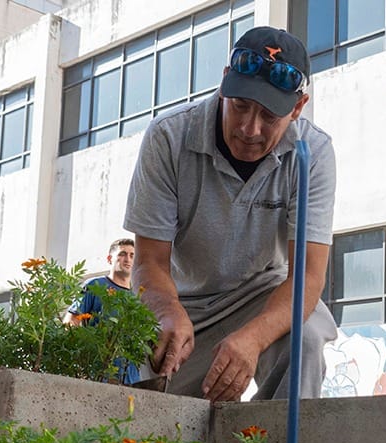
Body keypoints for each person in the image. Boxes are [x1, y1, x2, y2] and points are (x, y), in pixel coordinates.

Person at [123, 26, 337, 403]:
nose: (248, 129)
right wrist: (166, 309)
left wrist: (253, 338)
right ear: (224, 84)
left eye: (269, 116)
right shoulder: (168, 138)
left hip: (263, 293)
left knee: (306, 338)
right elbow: (149, 262)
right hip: (185, 305)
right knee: (157, 430)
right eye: (240, 105)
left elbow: (308, 275)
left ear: (298, 107)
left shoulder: (312, 154)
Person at [64, 238, 141, 385]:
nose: (127, 259)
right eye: (122, 254)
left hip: (131, 379)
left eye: (132, 255)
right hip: (98, 373)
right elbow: (70, 323)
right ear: (109, 258)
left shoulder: (138, 297)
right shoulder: (95, 285)